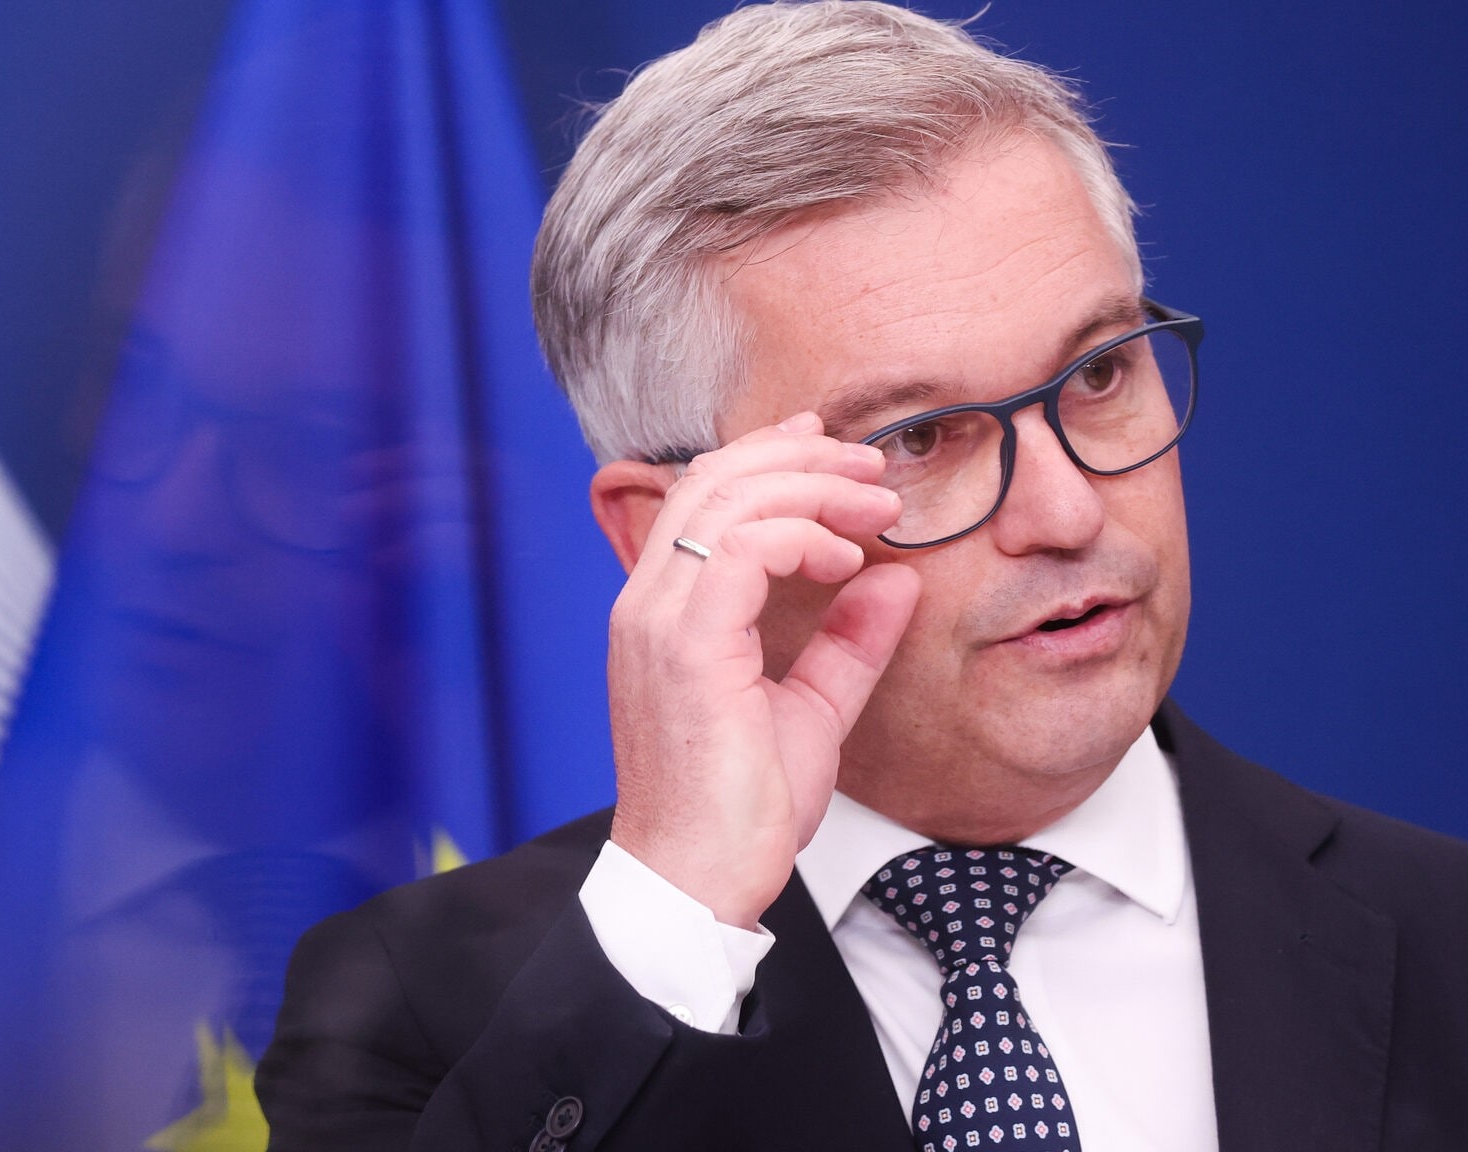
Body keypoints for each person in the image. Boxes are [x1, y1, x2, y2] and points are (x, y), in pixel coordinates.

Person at [255, 3, 1468, 1150]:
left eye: (1099, 374)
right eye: (916, 438)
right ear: (670, 532)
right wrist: (679, 924)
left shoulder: (1444, 942)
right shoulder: (417, 1017)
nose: (1065, 511)